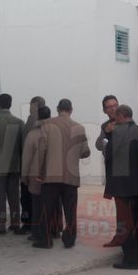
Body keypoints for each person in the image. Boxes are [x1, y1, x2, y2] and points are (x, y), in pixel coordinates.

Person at [34, 99, 91, 249]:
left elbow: (41, 150)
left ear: (58, 109)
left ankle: (45, 240)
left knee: (46, 209)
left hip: (51, 175)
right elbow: (85, 152)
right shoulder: (79, 128)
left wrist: (39, 171)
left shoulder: (47, 125)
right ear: (71, 110)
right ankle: (69, 239)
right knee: (70, 210)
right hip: (71, 176)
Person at [106, 105, 138, 270]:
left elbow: (109, 156)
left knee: (125, 223)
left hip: (122, 186)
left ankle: (130, 260)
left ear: (121, 116)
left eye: (116, 116)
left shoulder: (116, 133)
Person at [0, 93, 23, 234]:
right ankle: (15, 223)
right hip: (14, 165)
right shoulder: (19, 122)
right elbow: (22, 146)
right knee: (14, 196)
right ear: (10, 104)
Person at [96, 95, 125, 248]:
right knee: (120, 207)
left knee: (126, 208)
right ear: (104, 110)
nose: (113, 109)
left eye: (115, 105)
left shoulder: (126, 122)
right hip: (113, 172)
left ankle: (124, 238)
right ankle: (120, 237)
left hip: (127, 172)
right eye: (109, 107)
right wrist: (106, 133)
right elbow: (98, 145)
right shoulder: (105, 126)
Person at [22, 105, 52, 241]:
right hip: (54, 173)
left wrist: (24, 175)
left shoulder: (33, 134)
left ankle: (37, 233)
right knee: (53, 203)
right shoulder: (56, 133)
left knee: (37, 204)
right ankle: (54, 230)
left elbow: (27, 157)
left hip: (36, 174)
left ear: (38, 116)